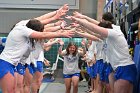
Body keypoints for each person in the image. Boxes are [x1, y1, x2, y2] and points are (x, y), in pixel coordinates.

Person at [0, 4, 75, 93]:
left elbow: (40, 19)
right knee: (12, 90)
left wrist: (55, 15)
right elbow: (44, 33)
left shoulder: (26, 25)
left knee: (17, 87)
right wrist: (61, 33)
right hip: (6, 62)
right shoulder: (21, 29)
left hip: (15, 63)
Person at [68, 12, 137, 93]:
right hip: (117, 67)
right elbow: (94, 31)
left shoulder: (114, 32)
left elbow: (95, 28)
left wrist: (78, 20)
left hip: (124, 67)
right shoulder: (110, 31)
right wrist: (83, 19)